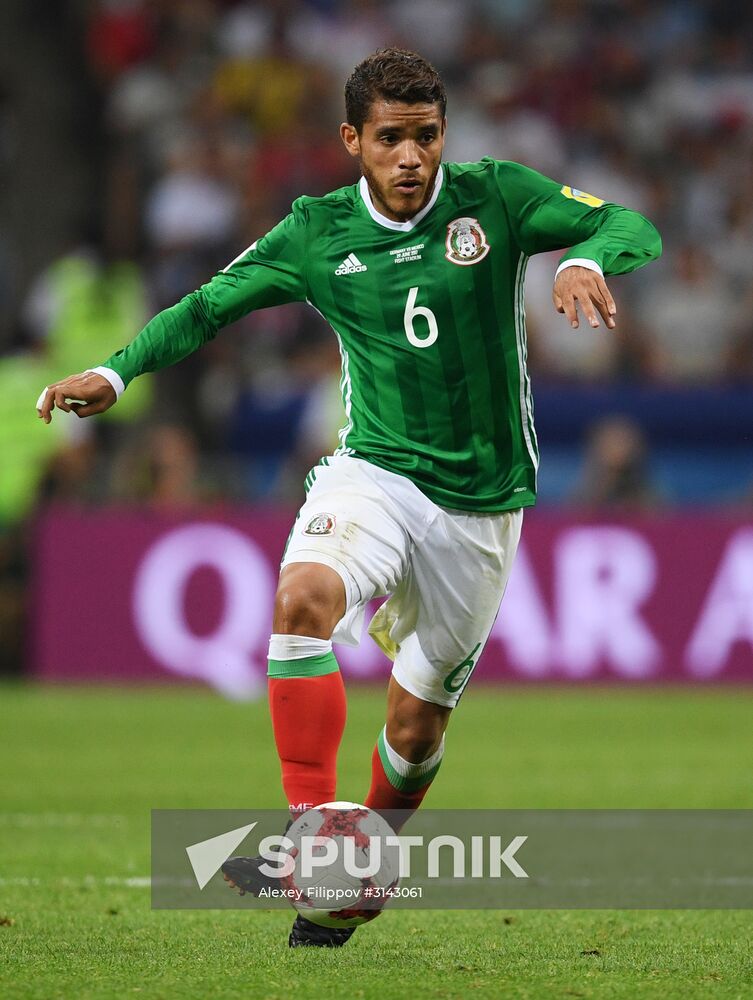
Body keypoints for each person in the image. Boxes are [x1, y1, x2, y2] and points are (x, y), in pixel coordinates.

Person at [36, 48, 661, 947]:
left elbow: (630, 223)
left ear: (443, 134)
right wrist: (115, 370)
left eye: (426, 137)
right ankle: (312, 834)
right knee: (300, 601)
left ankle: (367, 858)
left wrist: (587, 259)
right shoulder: (315, 232)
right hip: (375, 472)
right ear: (352, 141)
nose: (411, 157)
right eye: (390, 139)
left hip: (481, 507)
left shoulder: (496, 196)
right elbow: (208, 306)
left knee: (416, 726)